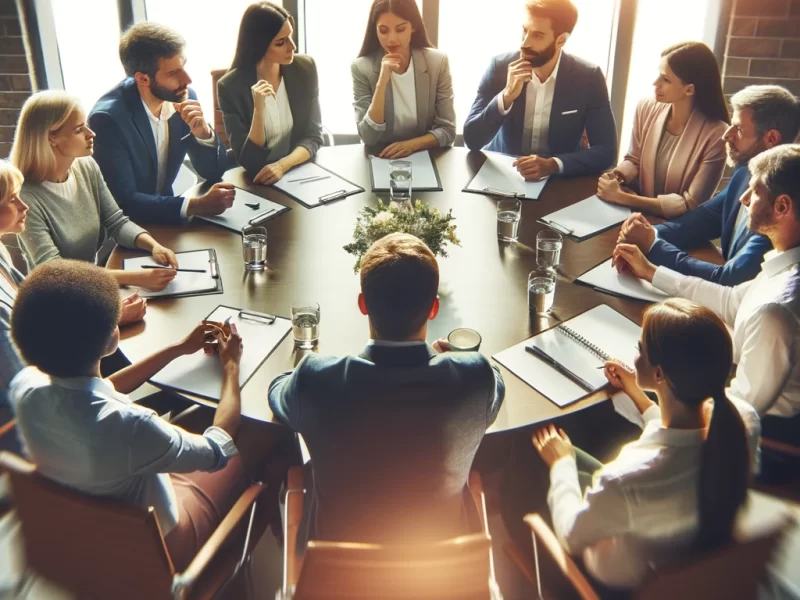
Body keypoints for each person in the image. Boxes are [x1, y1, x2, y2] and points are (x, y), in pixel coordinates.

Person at [8, 259, 292, 571]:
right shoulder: (130, 427)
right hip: (162, 550)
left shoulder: (25, 389)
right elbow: (218, 448)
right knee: (272, 432)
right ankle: (269, 552)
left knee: (195, 412)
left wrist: (179, 348)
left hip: (93, 534)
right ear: (109, 339)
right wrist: (231, 365)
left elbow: (93, 392)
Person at [269, 233, 505, 548]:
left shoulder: (314, 379)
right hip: (440, 576)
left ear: (363, 304)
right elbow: (495, 379)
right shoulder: (475, 378)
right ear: (433, 308)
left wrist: (317, 367)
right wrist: (455, 361)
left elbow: (276, 391)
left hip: (340, 578)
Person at [528, 299, 758, 589]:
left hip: (617, 584)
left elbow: (571, 536)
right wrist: (638, 396)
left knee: (534, 456)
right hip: (683, 563)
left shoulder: (624, 480)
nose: (635, 357)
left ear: (660, 374)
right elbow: (679, 440)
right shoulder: (742, 425)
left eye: (640, 349)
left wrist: (561, 464)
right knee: (568, 453)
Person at [614, 144, 800, 481]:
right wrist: (652, 272)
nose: (744, 199)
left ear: (782, 206)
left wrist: (646, 402)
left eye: (755, 191)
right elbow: (731, 301)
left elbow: (740, 411)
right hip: (737, 394)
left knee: (617, 406)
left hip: (761, 446)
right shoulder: (785, 266)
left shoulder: (777, 311)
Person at [615, 85, 799, 286]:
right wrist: (646, 233)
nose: (726, 135)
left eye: (738, 129)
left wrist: (653, 246)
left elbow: (729, 278)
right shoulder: (743, 174)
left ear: (771, 139)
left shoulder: (777, 212)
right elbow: (702, 220)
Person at [11, 91, 179, 294]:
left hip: (92, 285)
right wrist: (138, 278)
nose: (91, 134)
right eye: (79, 130)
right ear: (51, 138)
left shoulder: (86, 166)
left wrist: (153, 246)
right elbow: (54, 272)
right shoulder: (26, 197)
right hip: (55, 298)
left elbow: (116, 221)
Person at [89, 22, 234, 225]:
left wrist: (203, 134)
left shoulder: (182, 96)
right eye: (173, 73)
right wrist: (195, 205)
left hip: (167, 217)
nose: (188, 79)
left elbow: (212, 172)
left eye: (183, 66)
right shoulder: (107, 120)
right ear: (143, 78)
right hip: (127, 230)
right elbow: (124, 202)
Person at [463, 0, 617, 180]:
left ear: (561, 40)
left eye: (537, 35)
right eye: (525, 31)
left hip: (560, 181)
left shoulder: (589, 77)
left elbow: (606, 152)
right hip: (502, 174)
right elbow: (472, 140)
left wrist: (553, 165)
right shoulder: (500, 67)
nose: (524, 43)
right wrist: (506, 97)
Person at [597, 42, 729, 218]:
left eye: (665, 80)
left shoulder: (717, 134)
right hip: (632, 216)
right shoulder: (647, 106)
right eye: (659, 75)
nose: (655, 83)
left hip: (677, 228)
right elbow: (634, 159)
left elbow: (690, 204)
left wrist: (622, 198)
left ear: (689, 89)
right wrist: (617, 176)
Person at [217, 2, 323, 185]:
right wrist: (259, 109)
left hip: (297, 171)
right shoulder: (230, 87)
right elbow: (250, 162)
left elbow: (313, 136)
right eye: (281, 42)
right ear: (259, 45)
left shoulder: (305, 69)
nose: (292, 47)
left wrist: (282, 166)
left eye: (290, 36)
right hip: (258, 181)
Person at [351, 0, 456, 158]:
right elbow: (368, 137)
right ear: (375, 30)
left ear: (413, 27)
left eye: (400, 29)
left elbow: (448, 130)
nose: (391, 39)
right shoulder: (362, 67)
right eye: (383, 30)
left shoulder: (437, 62)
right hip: (381, 156)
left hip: (425, 154)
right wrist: (382, 81)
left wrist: (410, 146)